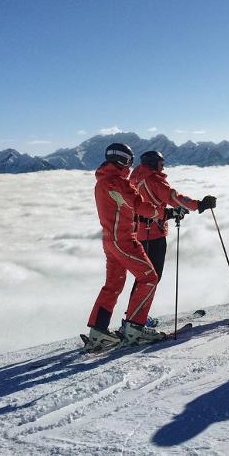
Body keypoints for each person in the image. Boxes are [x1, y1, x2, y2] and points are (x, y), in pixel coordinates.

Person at [84, 143, 166, 351]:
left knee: (113, 285)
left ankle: (98, 331)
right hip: (124, 241)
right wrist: (163, 213)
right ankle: (135, 328)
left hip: (109, 240)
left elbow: (124, 208)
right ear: (124, 160)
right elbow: (138, 205)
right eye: (130, 160)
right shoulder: (119, 183)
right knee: (149, 278)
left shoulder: (102, 182)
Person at [130, 150, 217, 323]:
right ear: (153, 163)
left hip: (138, 231)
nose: (163, 167)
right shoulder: (153, 180)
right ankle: (137, 319)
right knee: (151, 277)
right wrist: (198, 205)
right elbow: (173, 198)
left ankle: (134, 315)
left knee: (143, 277)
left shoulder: (135, 178)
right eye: (161, 164)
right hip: (153, 233)